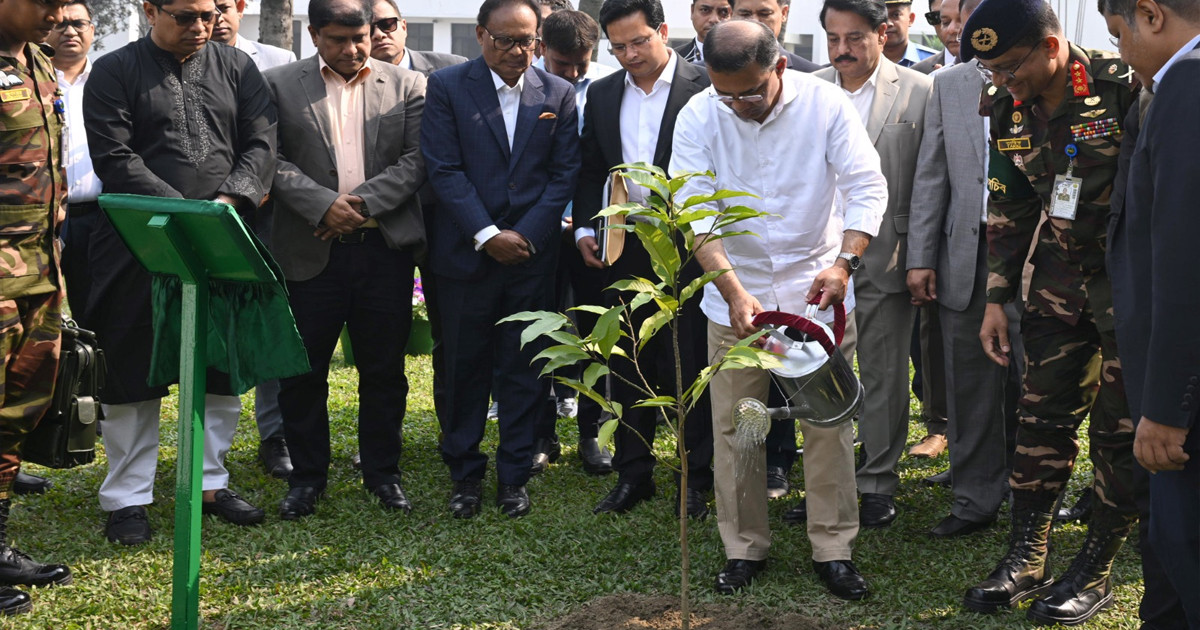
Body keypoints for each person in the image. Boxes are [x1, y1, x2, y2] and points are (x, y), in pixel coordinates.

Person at [674, 19, 887, 600]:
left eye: (751, 92)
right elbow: (694, 209)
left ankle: (833, 546)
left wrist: (844, 263)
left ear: (780, 68)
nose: (739, 106)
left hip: (813, 299)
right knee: (739, 425)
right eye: (727, 94)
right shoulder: (699, 115)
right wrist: (735, 290)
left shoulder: (826, 105)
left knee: (827, 423)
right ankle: (744, 547)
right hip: (735, 301)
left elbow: (867, 185)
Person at [958, 0, 1139, 625]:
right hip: (1060, 286)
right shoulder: (1007, 105)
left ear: (1053, 47)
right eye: (992, 72)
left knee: (1119, 432)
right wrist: (997, 299)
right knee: (1041, 415)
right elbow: (1007, 205)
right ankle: (1027, 554)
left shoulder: (1123, 88)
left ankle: (1097, 565)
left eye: (1011, 67)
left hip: (1129, 289)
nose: (1004, 82)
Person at [83, 0, 276, 545]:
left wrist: (226, 203)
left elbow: (261, 142)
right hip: (136, 241)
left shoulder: (237, 67)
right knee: (131, 369)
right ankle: (127, 497)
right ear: (150, 9)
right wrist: (186, 214)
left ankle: (211, 482)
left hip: (226, 234)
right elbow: (114, 157)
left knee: (221, 364)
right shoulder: (114, 70)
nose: (201, 27)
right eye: (185, 15)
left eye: (209, 14)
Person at [263, 0, 427, 519]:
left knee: (383, 370)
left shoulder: (407, 86)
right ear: (313, 34)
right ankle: (307, 478)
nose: (354, 48)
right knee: (303, 372)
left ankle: (383, 473)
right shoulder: (279, 85)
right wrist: (322, 205)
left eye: (361, 37)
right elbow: (270, 158)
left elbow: (417, 160)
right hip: (309, 251)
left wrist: (358, 206)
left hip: (382, 252)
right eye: (339, 39)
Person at [420, 0, 580, 519]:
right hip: (465, 256)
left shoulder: (558, 92)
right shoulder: (447, 87)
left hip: (531, 260)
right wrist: (488, 234)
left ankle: (514, 476)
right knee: (463, 367)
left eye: (527, 41)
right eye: (505, 40)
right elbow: (443, 169)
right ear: (480, 35)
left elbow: (563, 176)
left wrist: (525, 236)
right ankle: (464, 474)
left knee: (523, 368)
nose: (518, 51)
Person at [572, 0, 712, 517]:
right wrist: (588, 225)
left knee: (690, 361)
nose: (629, 54)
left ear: (663, 31)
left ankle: (696, 477)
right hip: (624, 248)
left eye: (639, 42)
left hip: (692, 247)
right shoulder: (605, 92)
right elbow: (592, 167)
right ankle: (635, 473)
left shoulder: (706, 84)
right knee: (628, 360)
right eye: (618, 46)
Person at [906, 0, 1022, 538]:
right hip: (965, 254)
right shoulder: (947, 84)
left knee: (1036, 380)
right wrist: (922, 257)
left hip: (1038, 255)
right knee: (970, 383)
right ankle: (975, 497)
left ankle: (1032, 492)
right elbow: (932, 175)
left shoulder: (1052, 71)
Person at [813, 0, 931, 530]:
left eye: (855, 38)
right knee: (823, 372)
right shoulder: (807, 90)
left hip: (888, 258)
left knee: (884, 376)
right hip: (818, 261)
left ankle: (878, 482)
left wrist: (921, 257)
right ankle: (827, 482)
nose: (843, 50)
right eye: (833, 38)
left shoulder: (920, 91)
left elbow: (932, 182)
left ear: (883, 34)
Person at [1102, 0, 1200, 625]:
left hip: (1184, 404)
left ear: (1151, 14)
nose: (1118, 52)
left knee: (1185, 545)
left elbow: (1182, 267)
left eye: (1118, 35)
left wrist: (1165, 408)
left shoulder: (1186, 92)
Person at [0, 0, 74, 615]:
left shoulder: (39, 60)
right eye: (45, 2)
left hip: (41, 272)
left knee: (18, 410)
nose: (56, 13)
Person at [209, 0, 296, 482]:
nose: (216, 18)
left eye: (225, 6)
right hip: (200, 210)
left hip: (268, 212)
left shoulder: (277, 63)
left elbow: (283, 141)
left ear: (242, 7)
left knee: (267, 317)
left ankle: (275, 434)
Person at [17, 0, 93, 499]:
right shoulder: (20, 69)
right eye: (51, 11)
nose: (60, 23)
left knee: (25, 391)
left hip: (64, 241)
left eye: (74, 19)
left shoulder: (48, 66)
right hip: (11, 243)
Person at [535, 8, 616, 476]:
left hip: (593, 234)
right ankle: (540, 434)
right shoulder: (524, 87)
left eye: (581, 62)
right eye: (562, 64)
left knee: (595, 335)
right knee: (541, 334)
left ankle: (594, 432)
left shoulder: (607, 89)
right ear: (541, 47)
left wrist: (583, 222)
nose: (572, 73)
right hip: (538, 231)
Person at [370, 0, 467, 72]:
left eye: (387, 24)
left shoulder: (455, 67)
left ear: (404, 27)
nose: (378, 34)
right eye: (368, 29)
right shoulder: (356, 82)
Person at [730, 0, 819, 71]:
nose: (755, 21)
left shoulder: (812, 75)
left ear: (784, 13)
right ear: (731, 14)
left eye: (764, 14)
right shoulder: (717, 68)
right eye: (745, 14)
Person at [882, 0, 936, 67]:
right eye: (882, 17)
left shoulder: (934, 62)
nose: (888, 23)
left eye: (895, 15)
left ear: (911, 19)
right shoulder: (865, 63)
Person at [910, 0, 945, 72]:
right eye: (936, 17)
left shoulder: (974, 65)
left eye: (959, 16)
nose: (951, 28)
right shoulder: (918, 72)